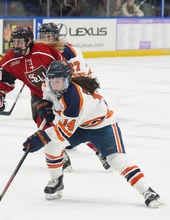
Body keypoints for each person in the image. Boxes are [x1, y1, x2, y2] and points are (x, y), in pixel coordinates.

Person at [22, 60, 165, 208]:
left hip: (102, 126)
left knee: (116, 160)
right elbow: (48, 98)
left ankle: (147, 191)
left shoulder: (76, 99)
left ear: (67, 81)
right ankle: (57, 181)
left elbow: (62, 132)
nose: (54, 86)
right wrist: (46, 105)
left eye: (58, 82)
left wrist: (41, 138)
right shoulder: (48, 86)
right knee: (52, 146)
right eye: (51, 81)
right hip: (80, 126)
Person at [0, 25, 73, 171]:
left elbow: (64, 69)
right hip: (38, 95)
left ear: (29, 41)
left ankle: (99, 151)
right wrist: (0, 94)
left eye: (20, 42)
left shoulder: (45, 51)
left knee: (77, 122)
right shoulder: (8, 60)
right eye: (14, 42)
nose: (17, 46)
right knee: (42, 122)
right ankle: (59, 153)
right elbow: (3, 81)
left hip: (60, 91)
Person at [38, 22, 111, 171]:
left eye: (49, 36)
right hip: (55, 89)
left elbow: (80, 79)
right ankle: (60, 154)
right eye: (43, 36)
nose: (46, 39)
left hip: (76, 90)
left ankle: (99, 151)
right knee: (47, 118)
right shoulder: (40, 52)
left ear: (56, 36)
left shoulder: (69, 51)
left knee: (83, 123)